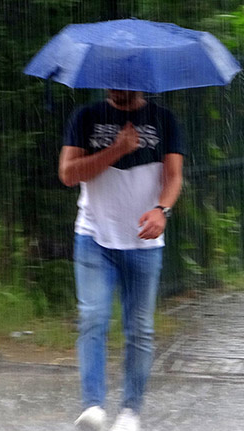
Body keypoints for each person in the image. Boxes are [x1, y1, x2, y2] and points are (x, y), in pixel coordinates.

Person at [59, 89, 184, 431]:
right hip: (94, 238)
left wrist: (162, 210)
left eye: (125, 82)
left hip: (144, 244)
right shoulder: (85, 117)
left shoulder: (164, 120)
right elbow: (68, 174)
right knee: (93, 319)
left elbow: (174, 177)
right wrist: (116, 149)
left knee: (139, 330)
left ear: (142, 83)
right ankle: (94, 408)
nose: (117, 89)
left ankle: (130, 412)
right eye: (112, 81)